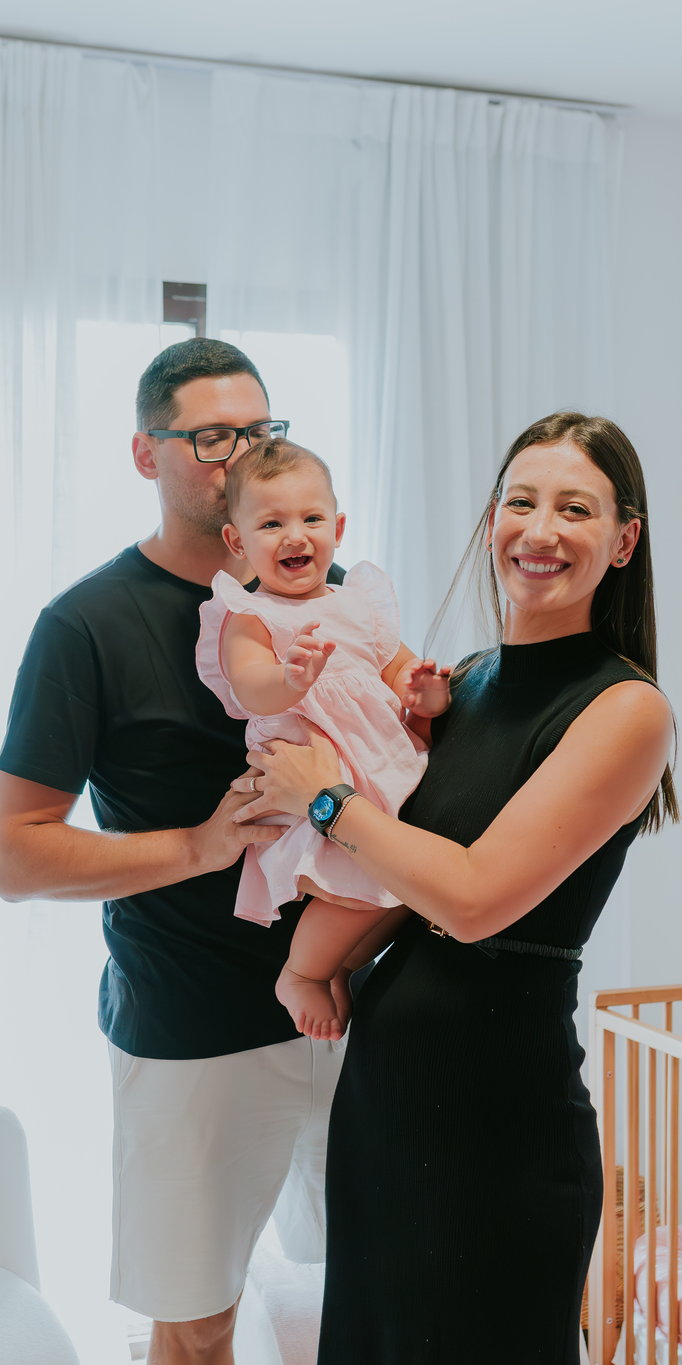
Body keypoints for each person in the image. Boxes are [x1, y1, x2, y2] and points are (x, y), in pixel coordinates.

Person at [236, 411, 677, 1365]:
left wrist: (318, 794)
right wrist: (315, 959)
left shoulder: (623, 712)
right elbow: (400, 885)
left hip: (501, 1128)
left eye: (577, 509)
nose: (542, 531)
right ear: (493, 521)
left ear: (623, 542)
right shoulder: (463, 682)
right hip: (393, 1104)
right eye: (522, 501)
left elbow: (478, 897)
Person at [0, 338, 349, 1365]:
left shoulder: (329, 594)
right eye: (208, 435)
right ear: (148, 455)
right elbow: (16, 853)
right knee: (193, 1324)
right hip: (190, 1031)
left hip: (357, 1010)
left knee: (388, 1284)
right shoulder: (87, 627)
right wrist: (200, 845)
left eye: (262, 427)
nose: (240, 453)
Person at [196, 436, 451, 1039]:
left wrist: (426, 696)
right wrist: (288, 679)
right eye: (272, 522)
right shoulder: (249, 614)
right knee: (352, 890)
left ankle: (335, 965)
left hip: (380, 764)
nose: (296, 535)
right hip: (312, 773)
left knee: (399, 884)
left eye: (312, 518)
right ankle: (303, 973)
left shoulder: (359, 605)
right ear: (239, 542)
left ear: (337, 527)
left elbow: (398, 673)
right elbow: (250, 687)